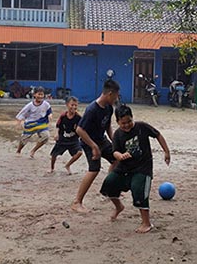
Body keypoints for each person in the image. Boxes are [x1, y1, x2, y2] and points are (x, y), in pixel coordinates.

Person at [100, 104, 171, 233]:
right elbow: (114, 151)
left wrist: (166, 152)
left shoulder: (141, 127)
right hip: (124, 168)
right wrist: (120, 156)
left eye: (129, 122)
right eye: (123, 123)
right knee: (109, 184)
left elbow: (158, 135)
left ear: (132, 118)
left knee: (139, 190)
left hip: (142, 168)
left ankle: (146, 223)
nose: (126, 125)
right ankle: (118, 207)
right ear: (117, 122)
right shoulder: (117, 134)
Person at [71, 79, 120, 213]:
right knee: (94, 169)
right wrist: (93, 146)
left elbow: (108, 126)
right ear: (110, 94)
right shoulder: (92, 109)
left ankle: (109, 188)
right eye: (116, 95)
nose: (117, 98)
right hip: (88, 142)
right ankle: (77, 202)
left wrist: (115, 142)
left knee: (116, 159)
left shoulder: (109, 107)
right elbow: (80, 130)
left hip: (102, 140)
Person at [15, 86, 53, 158]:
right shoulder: (29, 105)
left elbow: (49, 111)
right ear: (34, 95)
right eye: (39, 94)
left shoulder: (46, 104)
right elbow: (21, 114)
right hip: (30, 124)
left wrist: (50, 115)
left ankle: (33, 150)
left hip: (41, 123)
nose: (40, 96)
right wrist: (18, 123)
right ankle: (19, 150)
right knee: (24, 139)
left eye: (42, 94)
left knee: (46, 136)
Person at [50, 96, 83, 175]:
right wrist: (57, 134)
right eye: (72, 105)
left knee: (79, 152)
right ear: (67, 105)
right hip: (62, 139)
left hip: (73, 140)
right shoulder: (63, 116)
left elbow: (82, 128)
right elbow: (58, 126)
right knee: (54, 155)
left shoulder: (79, 117)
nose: (74, 107)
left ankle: (68, 165)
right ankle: (52, 168)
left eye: (76, 105)